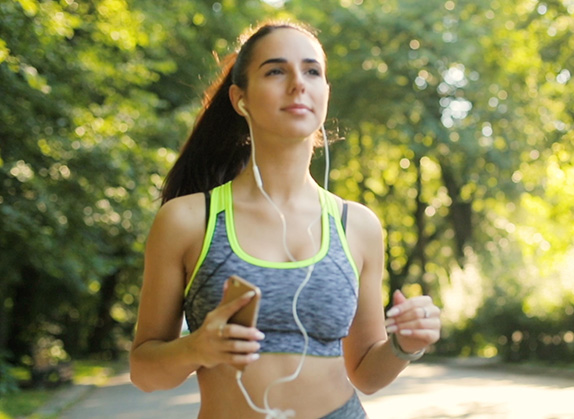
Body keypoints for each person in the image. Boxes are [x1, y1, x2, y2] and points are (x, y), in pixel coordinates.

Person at [130, 20, 441, 419]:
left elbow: (366, 374)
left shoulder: (358, 226)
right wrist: (198, 347)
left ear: (325, 93)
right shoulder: (189, 221)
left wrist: (406, 344)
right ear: (240, 99)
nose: (298, 83)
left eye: (312, 71)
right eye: (276, 71)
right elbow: (145, 373)